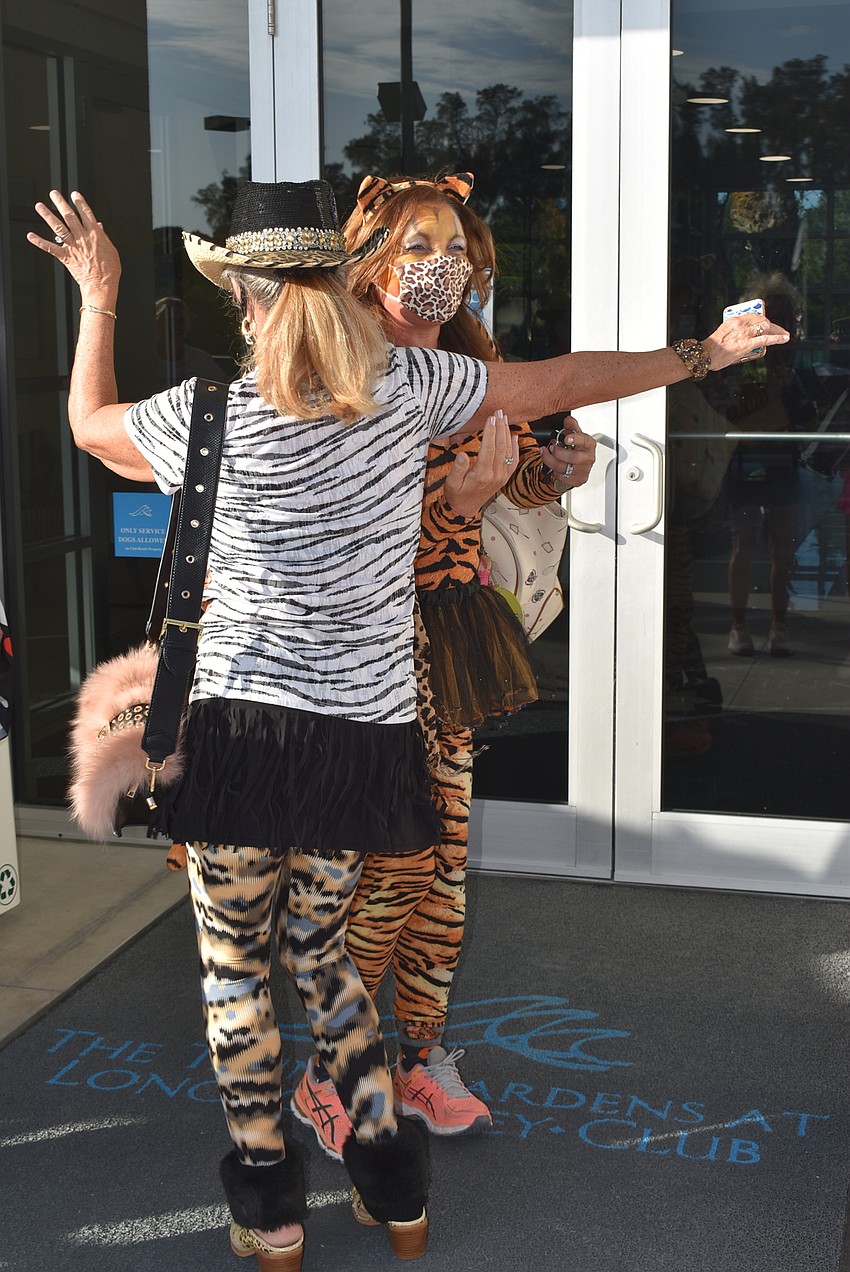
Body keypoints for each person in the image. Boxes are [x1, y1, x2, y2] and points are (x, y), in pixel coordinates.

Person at [27, 181, 788, 1271]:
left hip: (238, 737)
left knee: (236, 977)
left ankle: (270, 1209)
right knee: (326, 960)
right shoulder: (416, 385)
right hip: (363, 738)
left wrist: (98, 294)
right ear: (344, 287)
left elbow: (88, 430)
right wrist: (702, 353)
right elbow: (563, 380)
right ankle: (396, 1186)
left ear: (244, 301)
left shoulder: (202, 413)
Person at [291, 171, 596, 1153]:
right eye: (420, 249)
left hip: (451, 653)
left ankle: (414, 1058)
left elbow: (501, 495)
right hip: (371, 659)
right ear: (371, 260)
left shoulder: (471, 360)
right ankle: (331, 1070)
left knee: (444, 884)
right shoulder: (343, 374)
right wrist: (457, 509)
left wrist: (550, 472)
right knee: (393, 872)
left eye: (455, 250)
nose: (442, 268)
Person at [725, 276, 816, 658]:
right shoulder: (738, 359)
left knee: (782, 550)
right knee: (743, 546)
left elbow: (806, 418)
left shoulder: (796, 362)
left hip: (780, 462)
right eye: (772, 314)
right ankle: (740, 626)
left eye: (785, 315)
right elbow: (729, 414)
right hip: (746, 460)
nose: (780, 323)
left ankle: (778, 624)